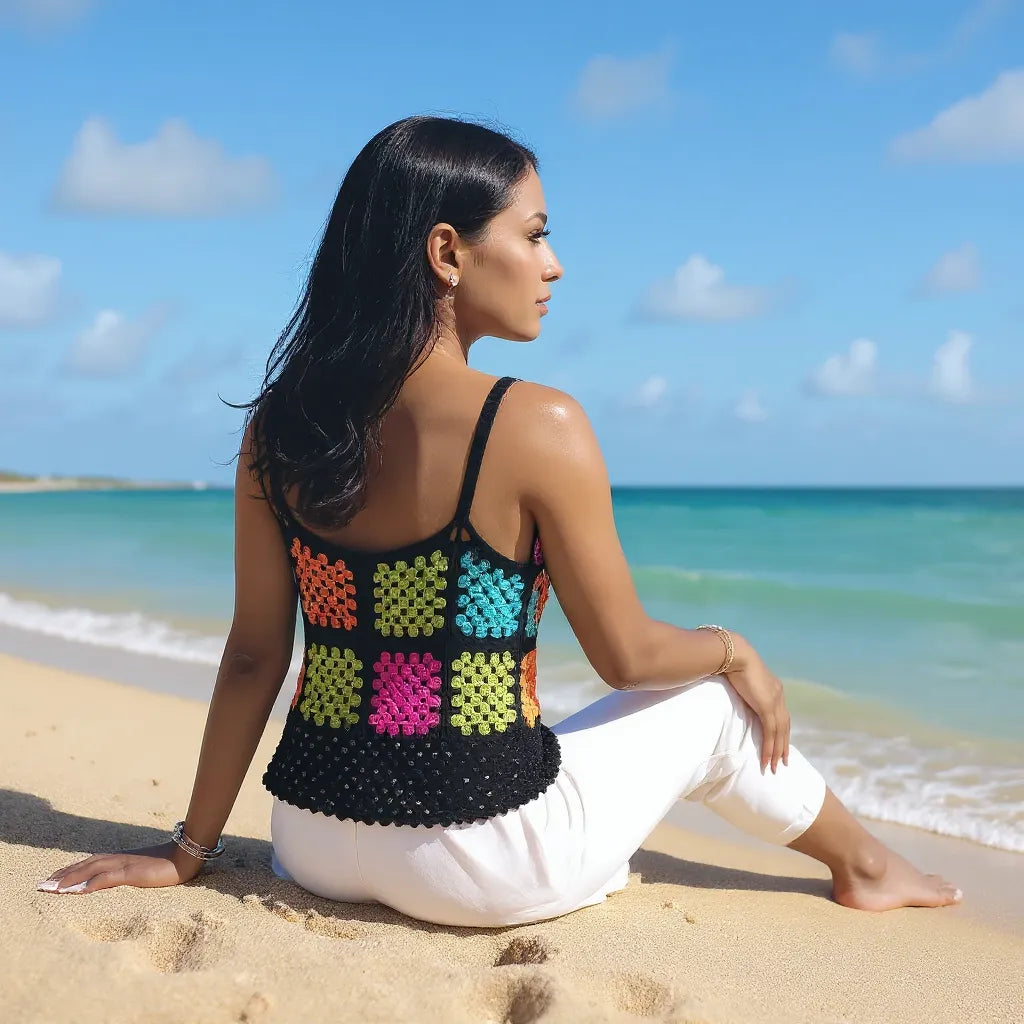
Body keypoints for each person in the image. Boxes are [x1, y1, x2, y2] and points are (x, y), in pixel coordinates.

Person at [37, 115, 962, 925]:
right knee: (716, 704)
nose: (554, 264)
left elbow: (252, 656)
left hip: (312, 839)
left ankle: (866, 861)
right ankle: (869, 865)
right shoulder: (535, 422)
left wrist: (186, 850)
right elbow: (629, 659)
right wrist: (735, 648)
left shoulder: (283, 425)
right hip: (476, 864)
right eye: (535, 233)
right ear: (448, 252)